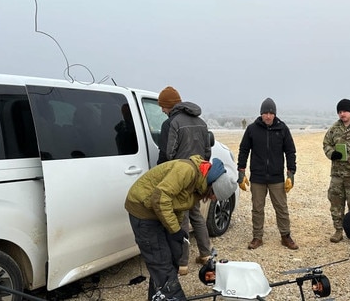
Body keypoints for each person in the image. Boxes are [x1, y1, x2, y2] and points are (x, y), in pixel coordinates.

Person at [125, 156, 237, 301]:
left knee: (174, 254)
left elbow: (178, 206)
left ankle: (158, 296)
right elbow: (160, 198)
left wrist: (175, 231)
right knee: (160, 260)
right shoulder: (187, 171)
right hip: (143, 210)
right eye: (215, 195)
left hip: (158, 211)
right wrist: (175, 229)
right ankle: (173, 296)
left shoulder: (199, 187)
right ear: (213, 186)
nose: (214, 200)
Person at [156, 86, 212, 276]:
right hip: (198, 177)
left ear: (170, 105)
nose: (162, 110)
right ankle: (205, 254)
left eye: (163, 106)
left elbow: (169, 153)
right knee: (197, 215)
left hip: (180, 177)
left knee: (182, 218)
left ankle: (182, 263)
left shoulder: (173, 123)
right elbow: (207, 153)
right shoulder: (201, 122)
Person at [237, 98, 298, 250]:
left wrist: (291, 173)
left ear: (275, 114)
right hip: (257, 177)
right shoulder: (252, 129)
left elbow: (290, 151)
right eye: (265, 113)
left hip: (276, 177)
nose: (268, 116)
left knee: (281, 208)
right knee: (257, 208)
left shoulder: (282, 129)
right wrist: (241, 171)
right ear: (261, 114)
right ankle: (257, 237)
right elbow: (243, 150)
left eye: (271, 113)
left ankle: (285, 236)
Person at [323, 98, 350, 243]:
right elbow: (326, 144)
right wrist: (331, 154)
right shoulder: (334, 129)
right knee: (336, 203)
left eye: (344, 111)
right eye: (340, 112)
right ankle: (338, 230)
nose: (342, 114)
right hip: (337, 174)